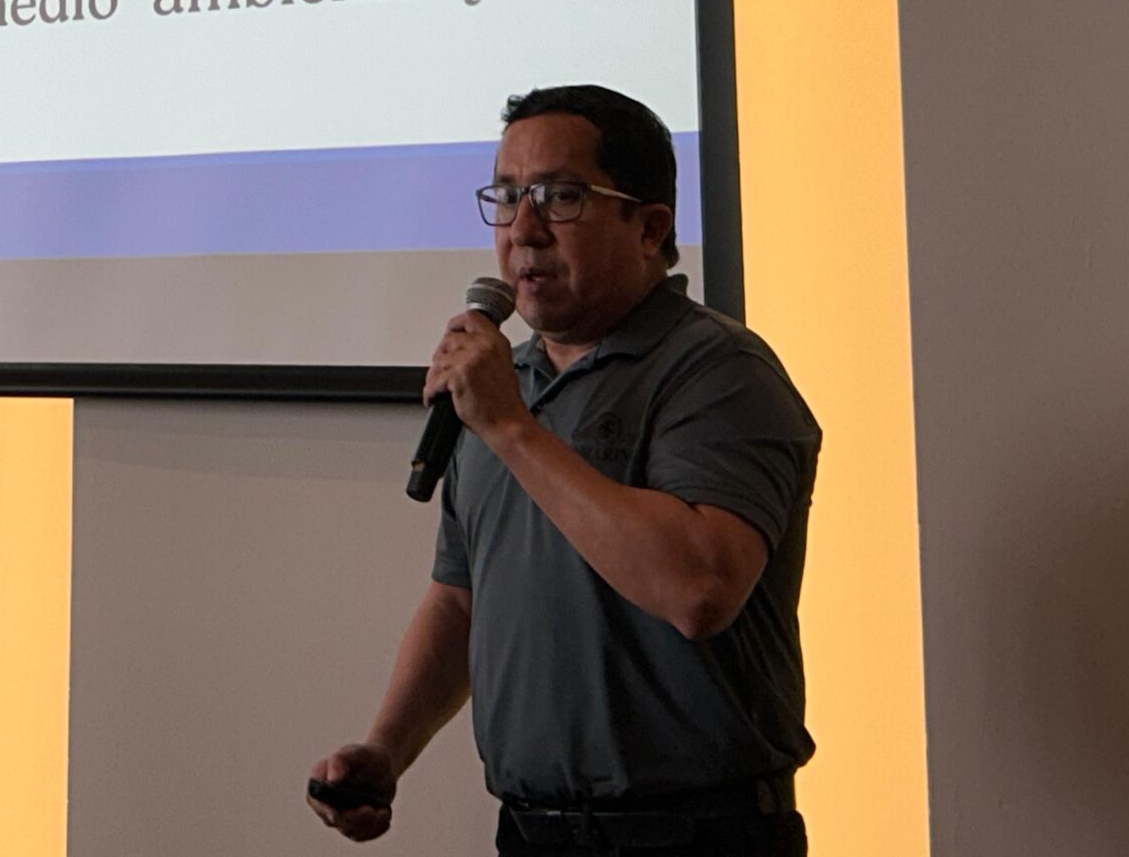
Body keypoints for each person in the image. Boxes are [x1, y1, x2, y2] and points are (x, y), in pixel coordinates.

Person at [310, 85, 821, 854]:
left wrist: (512, 428)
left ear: (649, 226)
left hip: (694, 835)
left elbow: (699, 589)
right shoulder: (499, 385)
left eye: (560, 197)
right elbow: (461, 598)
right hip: (530, 831)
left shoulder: (718, 372)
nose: (524, 228)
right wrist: (387, 748)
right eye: (507, 196)